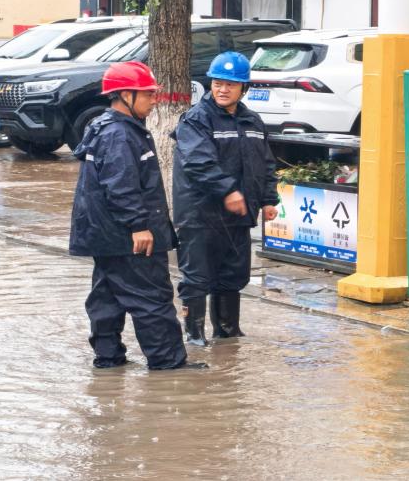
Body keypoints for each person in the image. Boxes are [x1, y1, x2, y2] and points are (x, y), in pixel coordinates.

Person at [69, 61, 205, 370]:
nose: (154, 100)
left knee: (107, 295)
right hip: (126, 236)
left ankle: (109, 358)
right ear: (124, 95)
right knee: (152, 297)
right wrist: (138, 226)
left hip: (105, 234)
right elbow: (121, 185)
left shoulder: (110, 127)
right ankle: (168, 364)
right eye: (147, 94)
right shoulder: (119, 134)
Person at [172, 51, 280, 346]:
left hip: (237, 216)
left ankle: (228, 333)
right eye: (217, 83)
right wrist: (228, 191)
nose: (222, 89)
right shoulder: (196, 119)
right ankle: (195, 336)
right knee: (197, 277)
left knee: (233, 275)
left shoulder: (252, 121)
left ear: (244, 88)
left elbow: (265, 163)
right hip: (200, 216)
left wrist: (268, 199)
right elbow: (198, 163)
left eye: (230, 85)